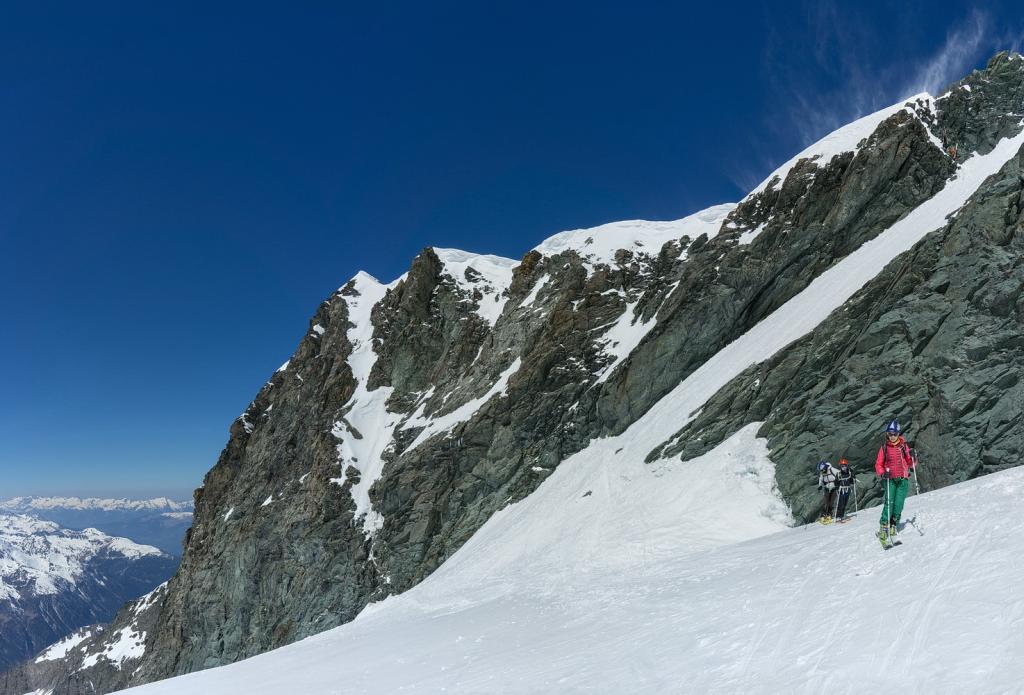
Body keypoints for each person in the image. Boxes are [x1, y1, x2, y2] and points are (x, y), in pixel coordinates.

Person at [875, 420, 916, 534]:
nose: (892, 437)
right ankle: (884, 525)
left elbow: (910, 463)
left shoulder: (903, 446)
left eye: (895, 434)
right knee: (889, 502)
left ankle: (893, 524)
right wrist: (883, 473)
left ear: (898, 434)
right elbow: (878, 464)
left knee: (899, 504)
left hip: (903, 480)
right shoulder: (884, 448)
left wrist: (913, 457)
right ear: (887, 434)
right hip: (890, 480)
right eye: (890, 434)